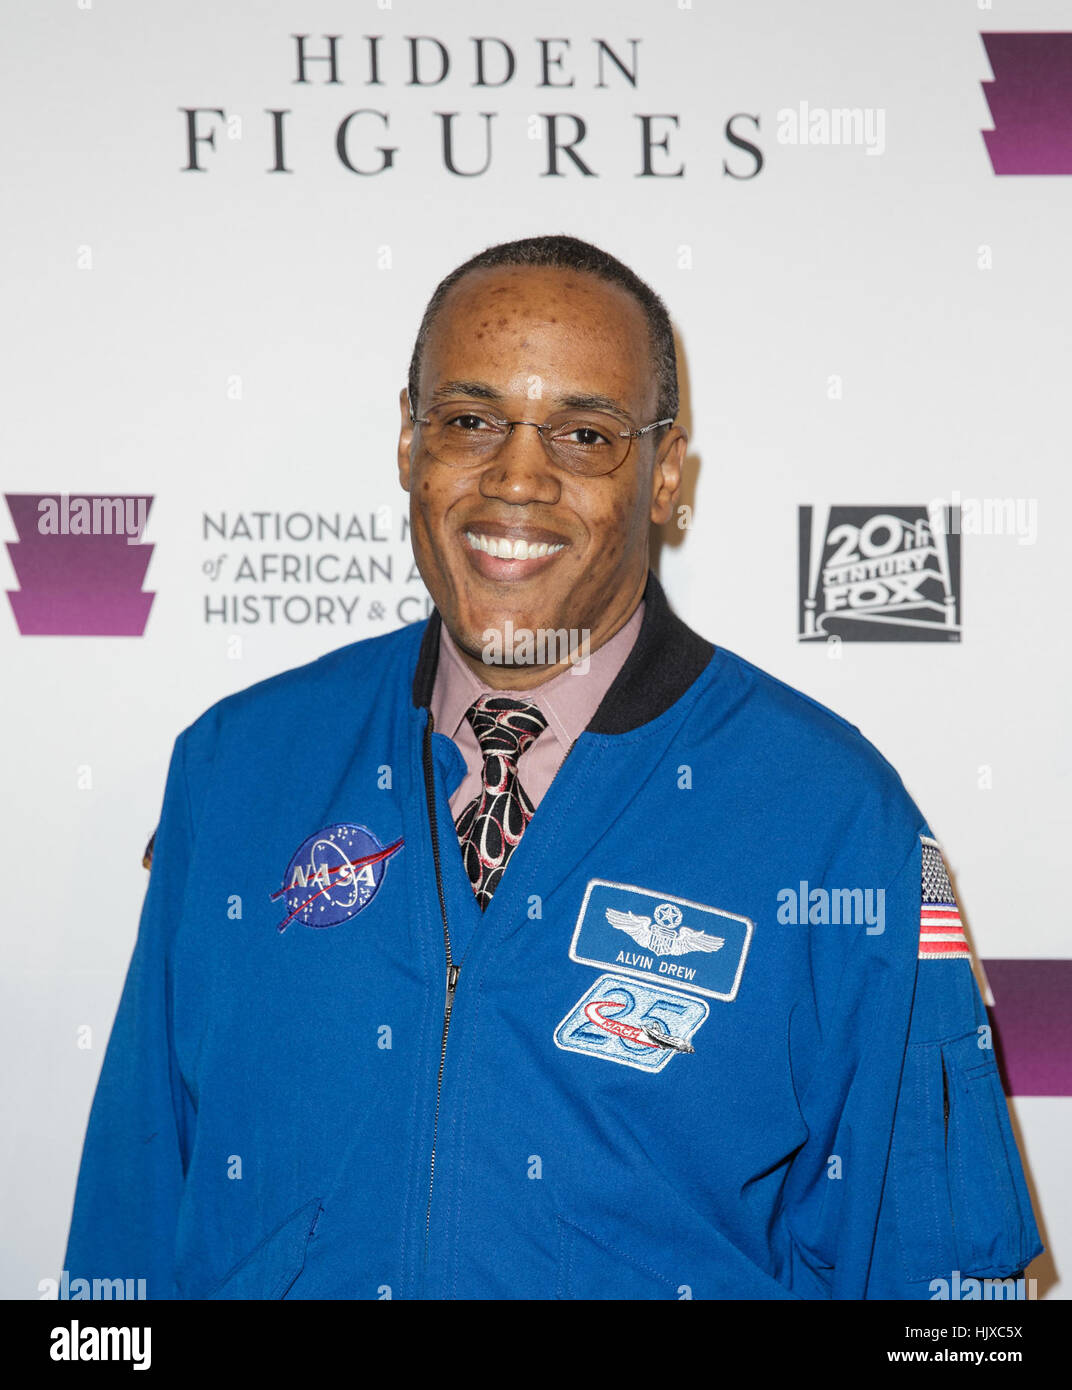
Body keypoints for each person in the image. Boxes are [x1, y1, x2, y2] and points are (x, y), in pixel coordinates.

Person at [64, 234, 1042, 1300]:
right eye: (471, 420)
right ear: (408, 441)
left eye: (584, 434)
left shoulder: (834, 816)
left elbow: (958, 1301)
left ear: (666, 474)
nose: (516, 478)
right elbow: (126, 1239)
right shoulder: (237, 770)